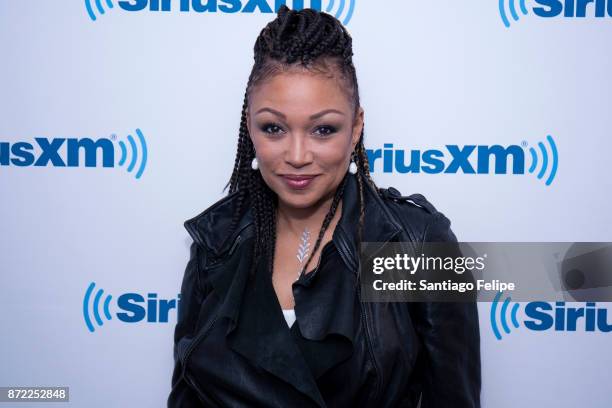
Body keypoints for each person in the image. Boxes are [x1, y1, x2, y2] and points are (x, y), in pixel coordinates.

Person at [167, 5, 480, 407]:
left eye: (323, 129)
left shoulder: (416, 244)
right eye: (274, 128)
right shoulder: (216, 239)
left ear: (356, 128)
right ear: (250, 126)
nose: (297, 155)